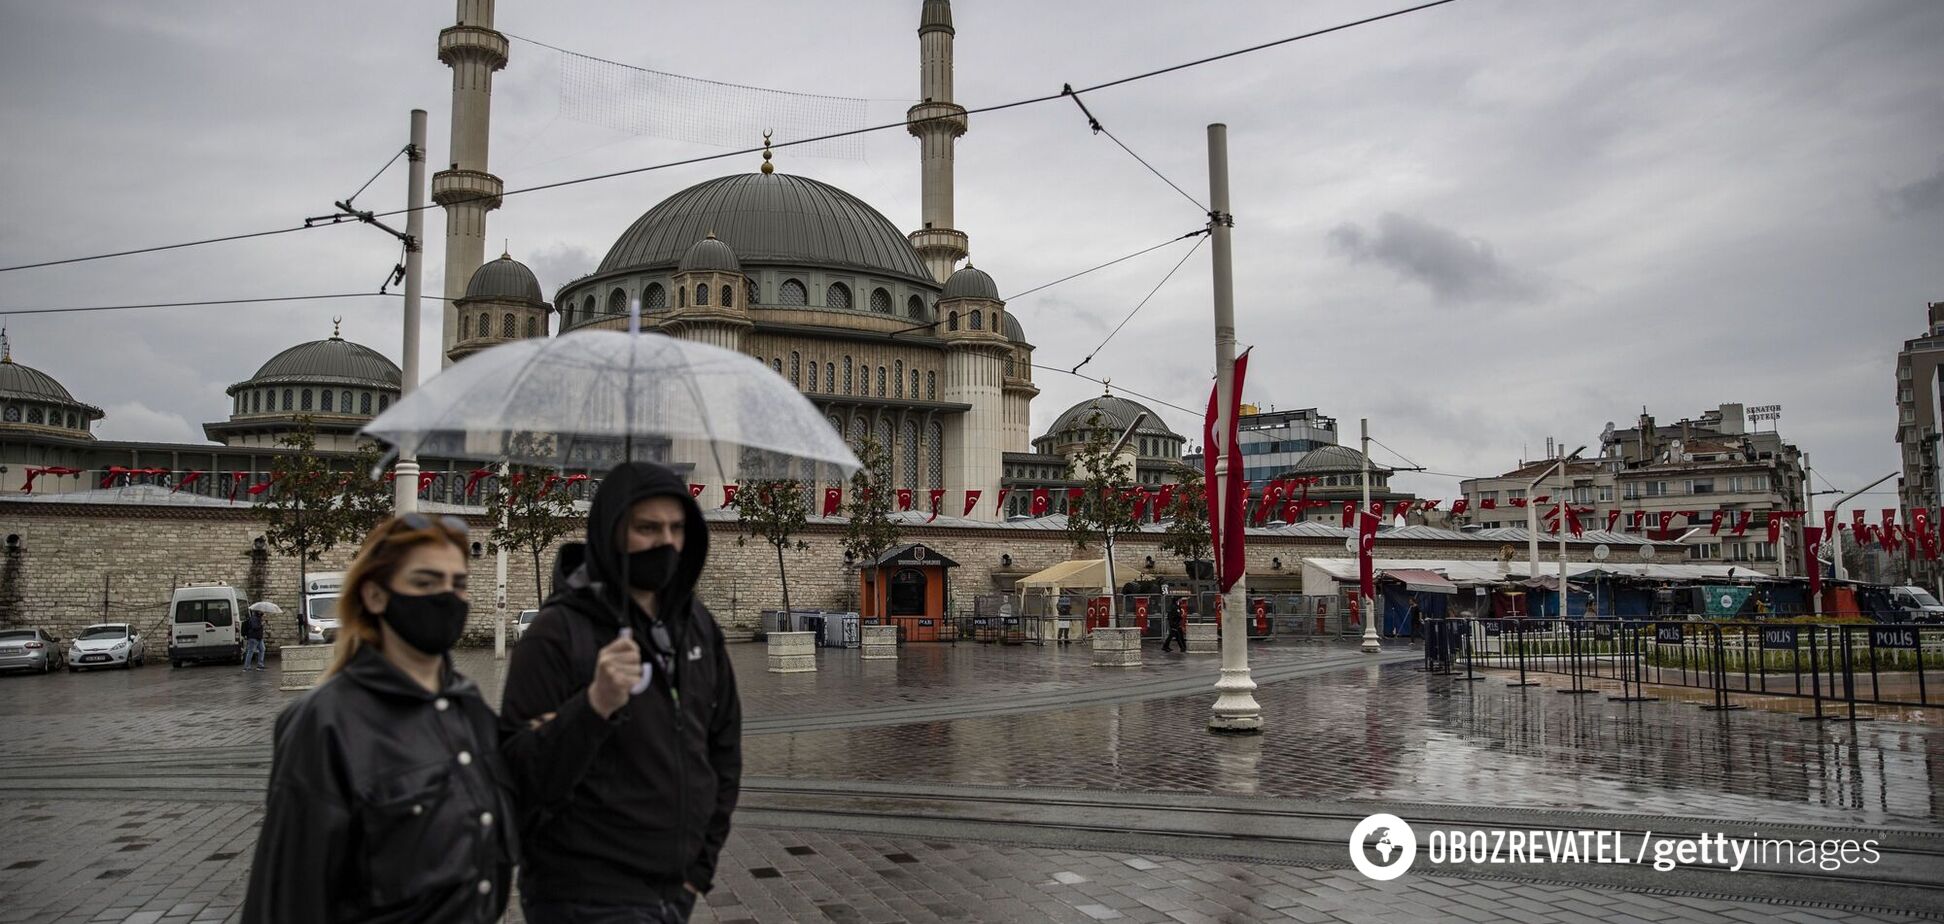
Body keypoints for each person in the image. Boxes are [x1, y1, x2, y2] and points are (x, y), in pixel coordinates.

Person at [243, 514, 516, 924]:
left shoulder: (467, 705)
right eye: (425, 583)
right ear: (374, 595)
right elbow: (287, 898)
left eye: (457, 584)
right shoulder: (324, 724)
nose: (446, 596)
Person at [500, 462, 743, 924]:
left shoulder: (697, 626)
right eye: (647, 528)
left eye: (676, 528)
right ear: (611, 532)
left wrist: (700, 866)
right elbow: (520, 776)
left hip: (675, 889)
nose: (665, 543)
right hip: (586, 895)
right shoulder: (557, 633)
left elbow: (722, 746)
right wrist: (594, 707)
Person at [240, 606, 266, 671]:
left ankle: (260, 665)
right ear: (258, 611)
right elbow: (255, 627)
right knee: (250, 651)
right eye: (261, 610)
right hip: (253, 637)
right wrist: (261, 624)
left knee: (262, 649)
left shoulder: (258, 618)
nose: (263, 611)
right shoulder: (254, 618)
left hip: (258, 637)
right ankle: (247, 667)